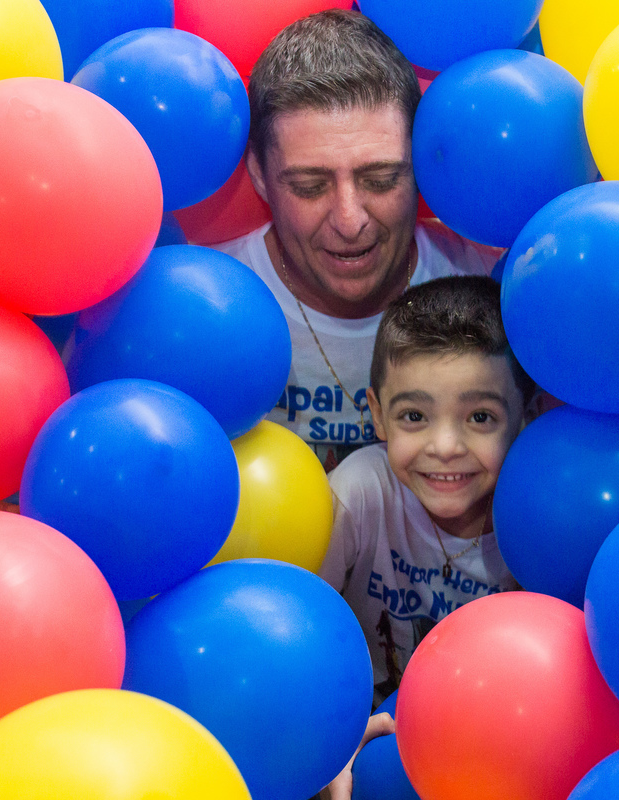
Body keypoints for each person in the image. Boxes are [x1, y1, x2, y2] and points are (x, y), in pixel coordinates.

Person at [213, 10, 500, 471]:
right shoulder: (204, 305)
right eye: (310, 187)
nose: (350, 221)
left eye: (381, 179)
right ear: (260, 176)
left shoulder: (493, 286)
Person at [316, 277, 534, 798]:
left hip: (493, 746)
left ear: (527, 416)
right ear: (377, 414)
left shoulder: (542, 522)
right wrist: (324, 742)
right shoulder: (360, 491)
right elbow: (298, 631)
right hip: (363, 737)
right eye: (414, 416)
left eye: (480, 417)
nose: (445, 446)